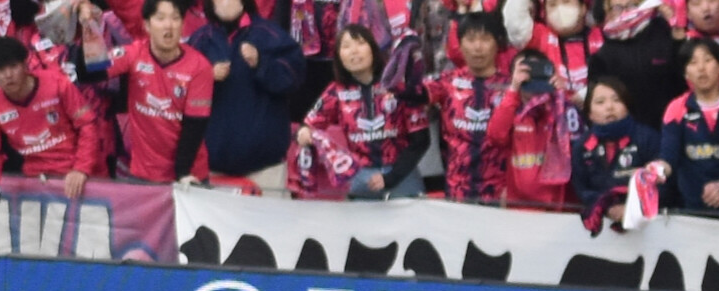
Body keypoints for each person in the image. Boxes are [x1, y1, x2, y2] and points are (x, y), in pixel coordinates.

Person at [296, 23, 428, 197]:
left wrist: (391, 177)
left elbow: (421, 140)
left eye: (360, 43)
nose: (354, 51)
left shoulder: (398, 85)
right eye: (346, 46)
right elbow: (309, 125)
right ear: (339, 56)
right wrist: (304, 133)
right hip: (361, 178)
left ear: (373, 48)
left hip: (402, 174)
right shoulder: (336, 91)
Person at [188, 0, 302, 194]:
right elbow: (180, 89)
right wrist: (206, 77)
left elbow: (293, 79)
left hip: (265, 170)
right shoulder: (200, 40)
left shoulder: (271, 35)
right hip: (211, 170)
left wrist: (261, 63)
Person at [104, 0, 213, 182]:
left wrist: (183, 174)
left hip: (188, 175)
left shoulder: (200, 67)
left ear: (182, 25)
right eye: (160, 18)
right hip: (144, 175)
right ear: (147, 25)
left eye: (175, 18)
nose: (168, 25)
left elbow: (194, 127)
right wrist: (89, 28)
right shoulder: (134, 53)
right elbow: (91, 71)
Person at [0, 35, 98, 195]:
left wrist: (81, 169)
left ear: (25, 65)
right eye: (0, 70)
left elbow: (87, 125)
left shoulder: (58, 84)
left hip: (79, 175)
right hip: (35, 180)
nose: (8, 75)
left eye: (13, 66)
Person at [425, 9, 510, 201]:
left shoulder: (510, 87)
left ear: (497, 44)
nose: (478, 47)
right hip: (457, 188)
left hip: (499, 191)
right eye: (470, 40)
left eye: (485, 39)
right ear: (460, 44)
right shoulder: (447, 81)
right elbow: (413, 96)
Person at [658, 35, 719, 214]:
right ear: (685, 73)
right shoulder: (677, 108)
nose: (701, 68)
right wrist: (654, 171)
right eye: (693, 62)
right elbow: (669, 157)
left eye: (707, 60)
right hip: (693, 210)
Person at [487, 50, 579, 208]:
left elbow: (576, 143)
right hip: (519, 207)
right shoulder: (510, 110)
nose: (529, 73)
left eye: (536, 68)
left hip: (557, 208)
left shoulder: (559, 107)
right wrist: (513, 90)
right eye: (524, 69)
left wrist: (562, 98)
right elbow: (495, 137)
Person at [571, 73, 657, 228]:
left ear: (627, 106)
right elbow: (581, 190)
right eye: (600, 102)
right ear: (589, 113)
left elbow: (662, 185)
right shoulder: (581, 147)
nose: (609, 107)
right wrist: (606, 206)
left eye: (617, 100)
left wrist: (632, 207)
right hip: (600, 227)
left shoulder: (648, 138)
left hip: (649, 224)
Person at [590, 0, 679, 128]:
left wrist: (674, 25)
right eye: (617, 8)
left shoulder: (662, 31)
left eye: (631, 6)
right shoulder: (603, 55)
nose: (626, 12)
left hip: (672, 122)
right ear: (608, 14)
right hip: (630, 130)